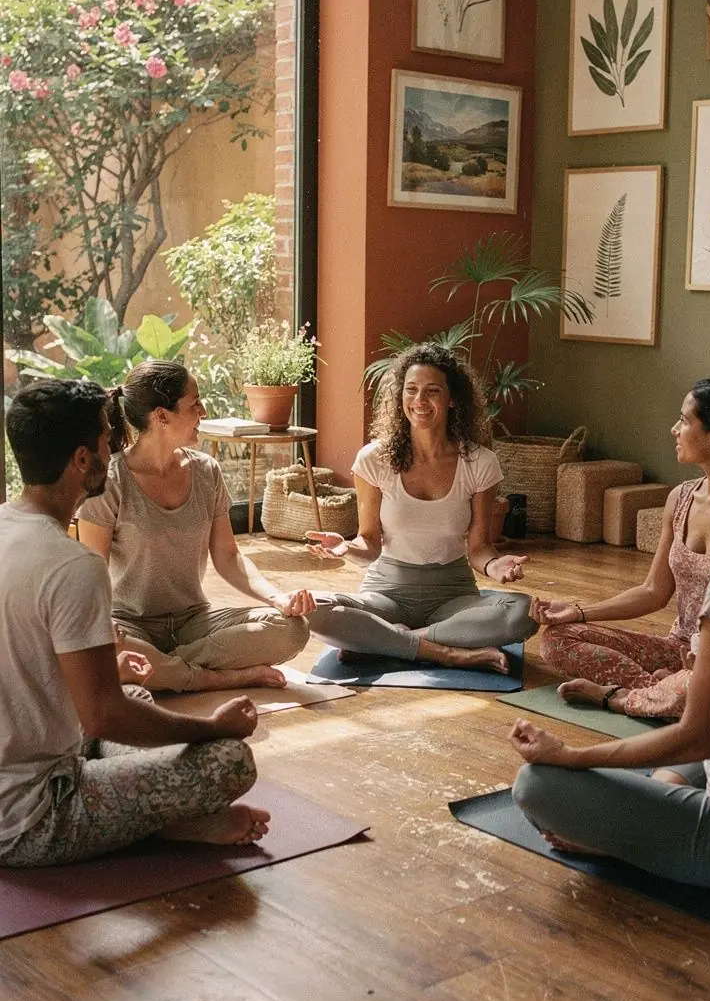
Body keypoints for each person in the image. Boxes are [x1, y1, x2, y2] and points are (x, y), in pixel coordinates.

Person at [510, 401, 710, 892]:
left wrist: (571, 756)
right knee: (677, 768)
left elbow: (699, 737)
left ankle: (631, 838)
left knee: (536, 785)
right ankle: (648, 818)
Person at [0, 379, 271, 868]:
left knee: (138, 695)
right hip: (31, 814)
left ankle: (156, 814)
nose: (116, 447)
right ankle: (170, 823)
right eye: (108, 438)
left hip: (28, 757)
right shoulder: (73, 565)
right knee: (228, 760)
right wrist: (209, 727)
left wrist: (111, 673)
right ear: (83, 459)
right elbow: (103, 716)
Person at [77, 361, 315, 694]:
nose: (203, 410)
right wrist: (104, 627)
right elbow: (92, 571)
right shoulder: (110, 481)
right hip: (130, 625)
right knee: (108, 649)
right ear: (162, 416)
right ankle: (216, 677)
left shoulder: (206, 471)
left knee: (292, 630)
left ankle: (163, 670)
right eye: (194, 404)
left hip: (194, 623)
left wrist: (277, 598)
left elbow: (228, 556)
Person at [305, 344, 544, 673]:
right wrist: (347, 548)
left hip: (452, 595)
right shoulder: (375, 460)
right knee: (309, 607)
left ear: (452, 398)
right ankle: (446, 652)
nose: (419, 401)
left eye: (432, 391)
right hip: (386, 593)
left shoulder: (479, 463)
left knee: (524, 611)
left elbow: (478, 548)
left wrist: (495, 566)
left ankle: (387, 643)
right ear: (400, 395)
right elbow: (369, 543)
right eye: (411, 390)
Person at [538, 379, 710, 718]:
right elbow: (654, 591)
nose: (674, 429)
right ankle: (660, 693)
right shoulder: (680, 498)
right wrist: (579, 612)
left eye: (684, 420)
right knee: (557, 639)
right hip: (678, 649)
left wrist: (698, 666)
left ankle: (654, 695)